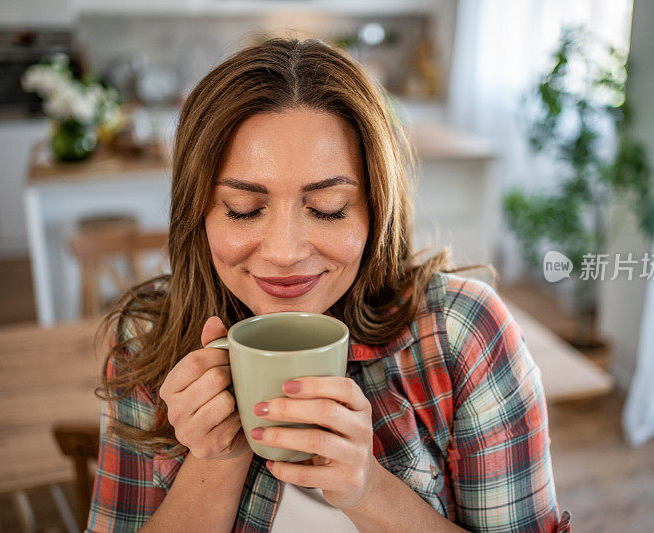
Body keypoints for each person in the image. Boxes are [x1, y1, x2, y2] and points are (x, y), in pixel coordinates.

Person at [87, 37, 572, 532]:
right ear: (199, 212)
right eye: (243, 209)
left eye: (328, 209)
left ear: (374, 210)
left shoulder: (463, 333)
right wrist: (214, 460)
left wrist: (369, 492)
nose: (285, 251)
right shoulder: (144, 344)